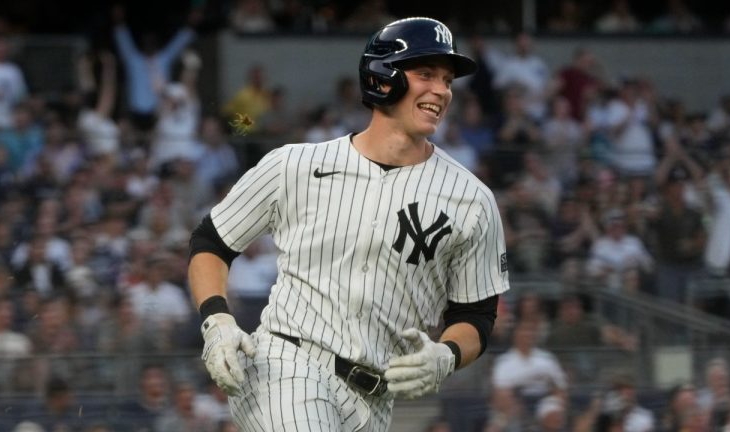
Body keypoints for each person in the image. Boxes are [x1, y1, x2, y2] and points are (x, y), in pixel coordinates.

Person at [187, 17, 509, 431]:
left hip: (375, 401)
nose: (441, 91)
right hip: (286, 365)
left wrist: (446, 355)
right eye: (425, 73)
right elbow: (211, 241)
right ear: (383, 76)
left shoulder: (473, 200)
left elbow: (477, 316)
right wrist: (218, 321)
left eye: (446, 80)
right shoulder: (296, 165)